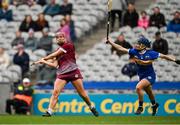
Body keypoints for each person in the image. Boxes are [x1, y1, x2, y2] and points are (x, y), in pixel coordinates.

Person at [106, 36, 180, 116]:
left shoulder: (151, 53)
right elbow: (121, 48)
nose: (137, 45)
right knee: (149, 92)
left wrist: (175, 60)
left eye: (139, 43)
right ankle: (154, 105)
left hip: (150, 76)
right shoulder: (134, 51)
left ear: (144, 46)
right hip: (141, 76)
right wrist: (111, 42)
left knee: (138, 87)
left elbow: (164, 56)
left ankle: (140, 107)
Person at [34, 32, 99, 117]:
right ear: (56, 40)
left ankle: (91, 106)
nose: (60, 38)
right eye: (58, 37)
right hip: (62, 74)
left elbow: (53, 55)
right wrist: (43, 62)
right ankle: (49, 111)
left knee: (82, 93)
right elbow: (54, 64)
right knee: (55, 92)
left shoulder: (69, 45)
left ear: (65, 38)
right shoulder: (58, 50)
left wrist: (43, 59)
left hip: (73, 72)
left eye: (61, 37)